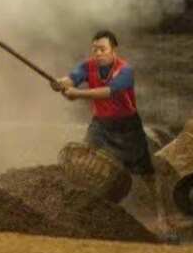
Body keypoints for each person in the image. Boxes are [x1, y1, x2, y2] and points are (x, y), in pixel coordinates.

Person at [52, 29, 155, 179]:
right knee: (87, 158)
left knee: (144, 170)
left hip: (128, 126)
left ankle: (153, 198)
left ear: (113, 50)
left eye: (102, 49)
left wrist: (77, 94)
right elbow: (73, 78)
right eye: (95, 50)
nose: (98, 53)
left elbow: (108, 92)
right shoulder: (88, 66)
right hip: (101, 124)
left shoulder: (125, 70)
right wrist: (60, 83)